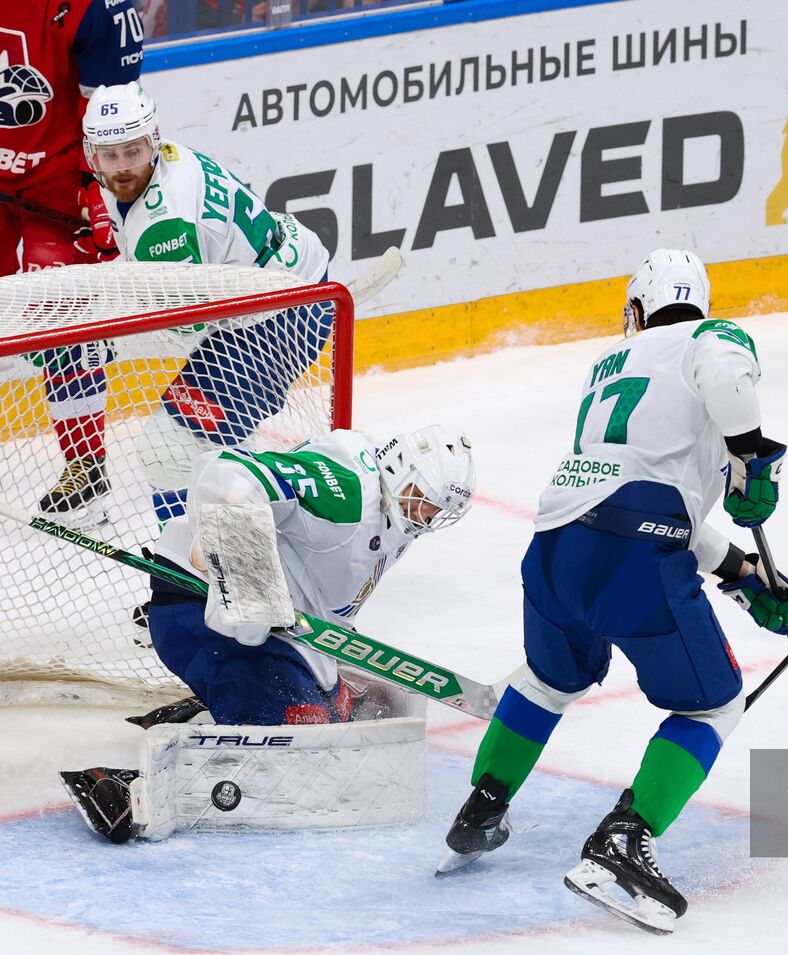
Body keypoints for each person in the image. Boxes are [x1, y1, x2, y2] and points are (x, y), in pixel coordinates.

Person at [438, 249, 788, 936]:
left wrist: (743, 575)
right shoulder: (707, 338)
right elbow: (725, 371)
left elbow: (654, 497)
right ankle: (625, 835)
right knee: (714, 704)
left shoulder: (610, 362)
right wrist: (752, 453)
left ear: (636, 309)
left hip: (552, 546)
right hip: (632, 555)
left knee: (550, 679)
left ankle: (483, 804)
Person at [59, 423, 476, 843]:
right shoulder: (348, 491)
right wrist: (247, 580)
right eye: (424, 501)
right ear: (398, 466)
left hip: (273, 636)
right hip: (195, 607)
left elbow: (325, 599)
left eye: (437, 511)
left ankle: (210, 710)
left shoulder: (395, 522)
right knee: (294, 753)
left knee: (342, 724)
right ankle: (124, 786)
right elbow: (228, 476)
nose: (427, 517)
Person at [37, 81, 333, 528]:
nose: (122, 168)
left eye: (133, 151)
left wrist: (94, 343)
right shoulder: (169, 159)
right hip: (284, 284)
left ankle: (188, 587)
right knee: (218, 452)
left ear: (152, 139)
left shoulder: (164, 224)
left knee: (166, 451)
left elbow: (182, 329)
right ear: (91, 154)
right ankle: (237, 556)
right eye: (110, 155)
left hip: (276, 317)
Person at [1, 1, 142, 520]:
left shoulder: (91, 8)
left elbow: (111, 111)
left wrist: (98, 191)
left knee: (66, 323)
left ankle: (86, 470)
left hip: (59, 184)